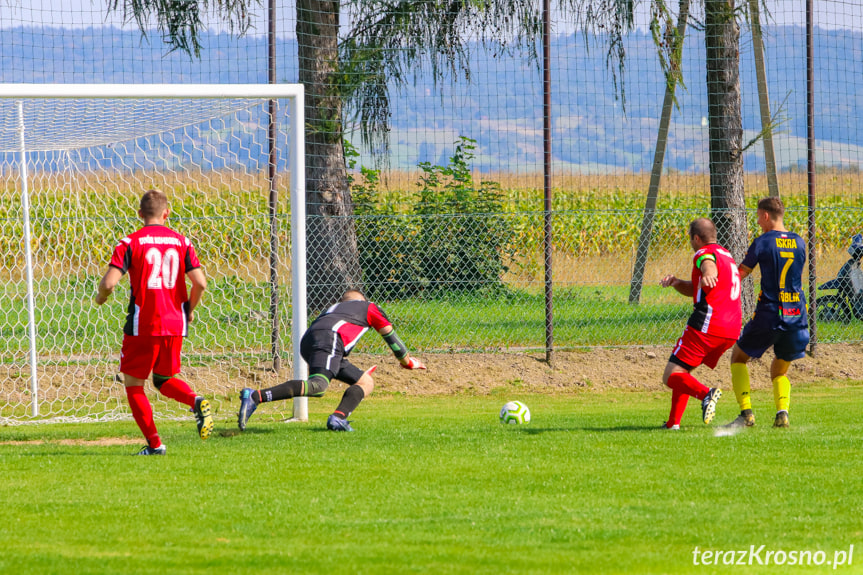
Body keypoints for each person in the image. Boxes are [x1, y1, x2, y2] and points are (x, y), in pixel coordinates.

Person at [95, 188, 213, 455]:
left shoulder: (130, 242)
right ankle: (196, 401)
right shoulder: (182, 242)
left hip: (144, 325)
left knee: (134, 384)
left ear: (140, 215)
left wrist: (100, 298)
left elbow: (109, 283)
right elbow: (201, 283)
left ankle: (155, 445)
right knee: (164, 378)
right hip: (175, 323)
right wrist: (189, 310)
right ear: (166, 213)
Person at [238, 289, 426, 432]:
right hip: (331, 339)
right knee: (318, 386)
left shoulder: (333, 309)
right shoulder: (369, 307)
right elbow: (393, 341)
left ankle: (339, 418)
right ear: (362, 300)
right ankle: (256, 396)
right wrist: (408, 362)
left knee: (365, 381)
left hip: (311, 341)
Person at [723, 197, 809, 429]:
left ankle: (746, 414)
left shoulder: (762, 242)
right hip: (797, 315)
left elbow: (741, 273)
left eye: (759, 216)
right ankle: (782, 413)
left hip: (770, 313)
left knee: (738, 357)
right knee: (779, 369)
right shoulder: (800, 242)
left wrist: (720, 284)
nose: (758, 221)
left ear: (767, 216)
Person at [659, 218, 742, 429]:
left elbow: (708, 267)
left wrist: (708, 273)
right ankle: (673, 423)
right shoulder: (727, 255)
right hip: (731, 327)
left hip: (708, 324)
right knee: (682, 370)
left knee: (671, 375)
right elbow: (699, 288)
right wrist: (677, 283)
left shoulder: (703, 253)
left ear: (696, 238)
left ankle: (707, 394)